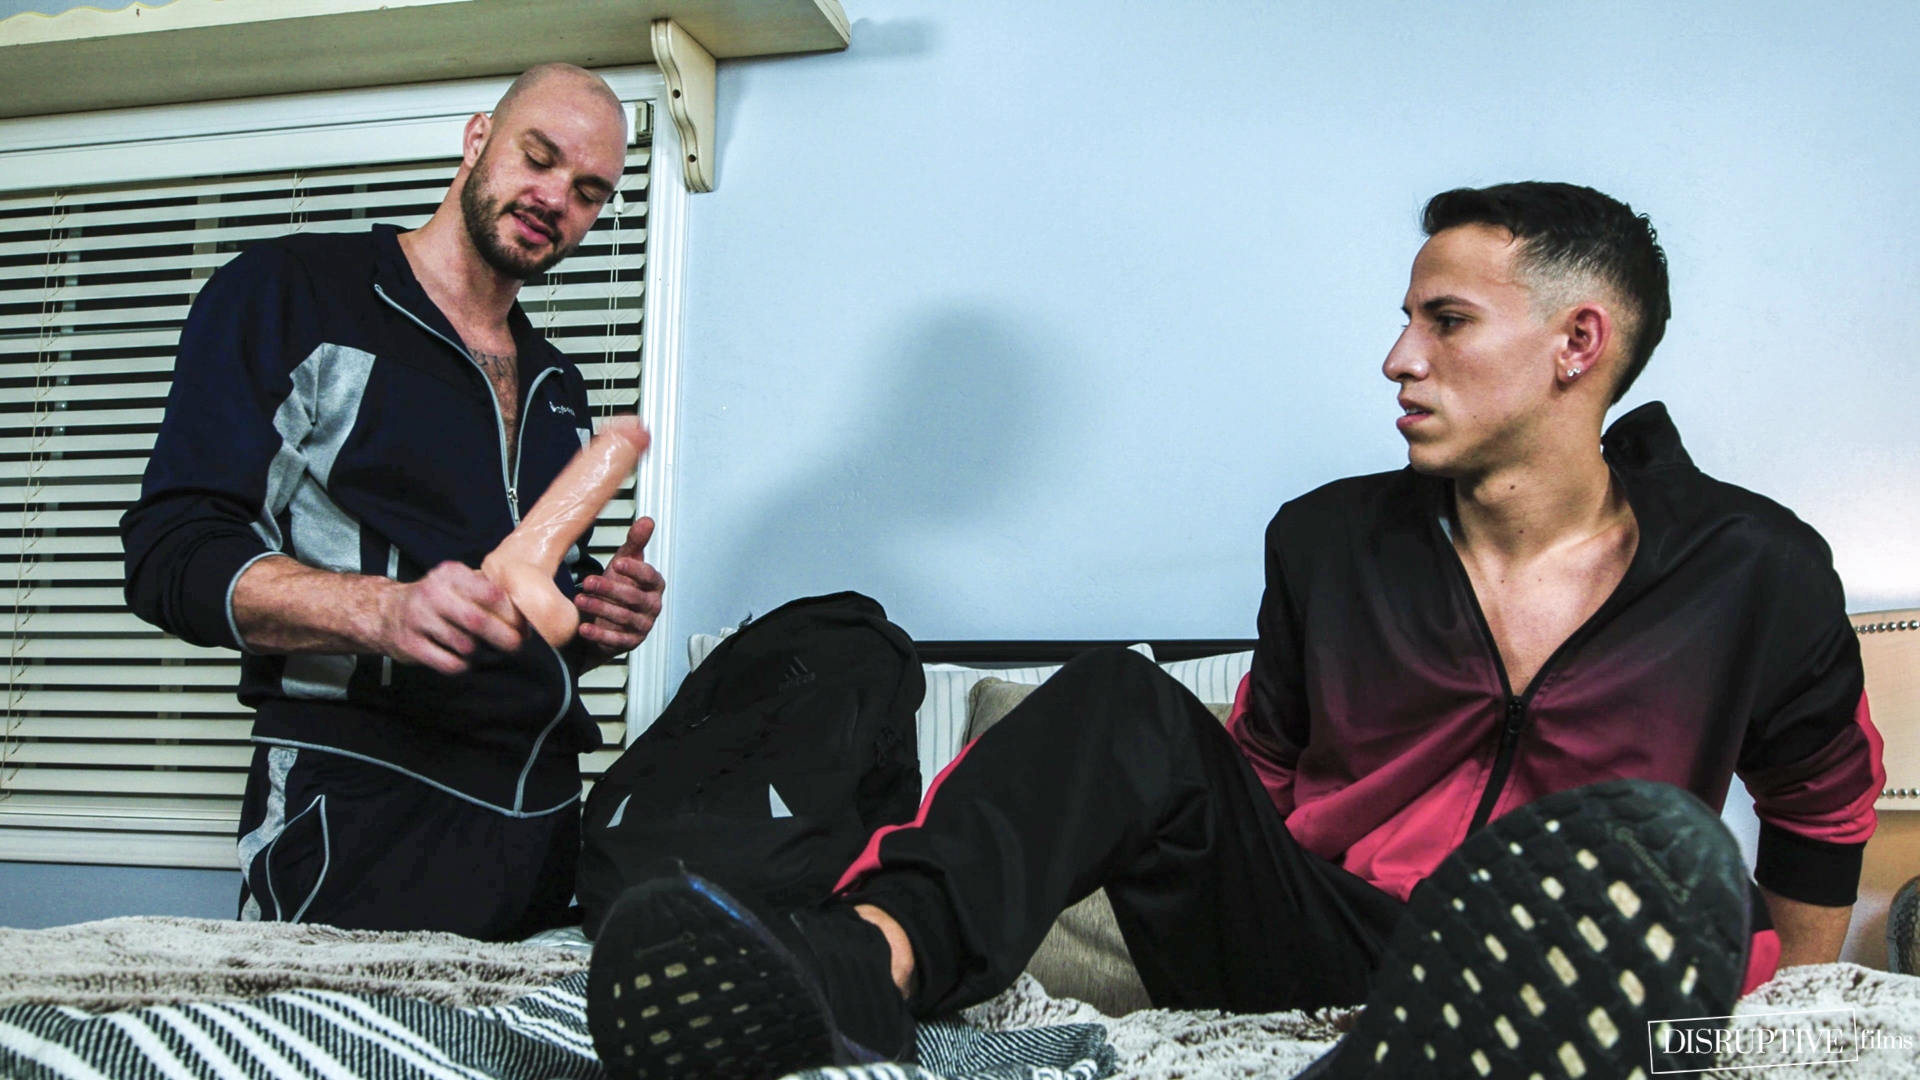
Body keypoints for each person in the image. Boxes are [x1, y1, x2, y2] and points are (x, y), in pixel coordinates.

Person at [582, 183, 1885, 1079]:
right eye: (1405, 319)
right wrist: (1122, 792)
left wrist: (1788, 1015)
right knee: (1118, 697)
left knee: (1664, 859)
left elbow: (1823, 811)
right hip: (1329, 935)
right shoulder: (1329, 546)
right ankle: (854, 969)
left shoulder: (1753, 571)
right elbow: (1248, 779)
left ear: (1576, 344)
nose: (1397, 357)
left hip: (1576, 958)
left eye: (1444, 321)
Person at [120, 64, 664, 940]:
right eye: (538, 158)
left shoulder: (558, 382)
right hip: (358, 807)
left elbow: (514, 591)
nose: (554, 198)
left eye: (588, 191)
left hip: (541, 823)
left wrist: (594, 618)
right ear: (478, 139)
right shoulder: (293, 294)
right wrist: (385, 611)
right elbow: (171, 550)